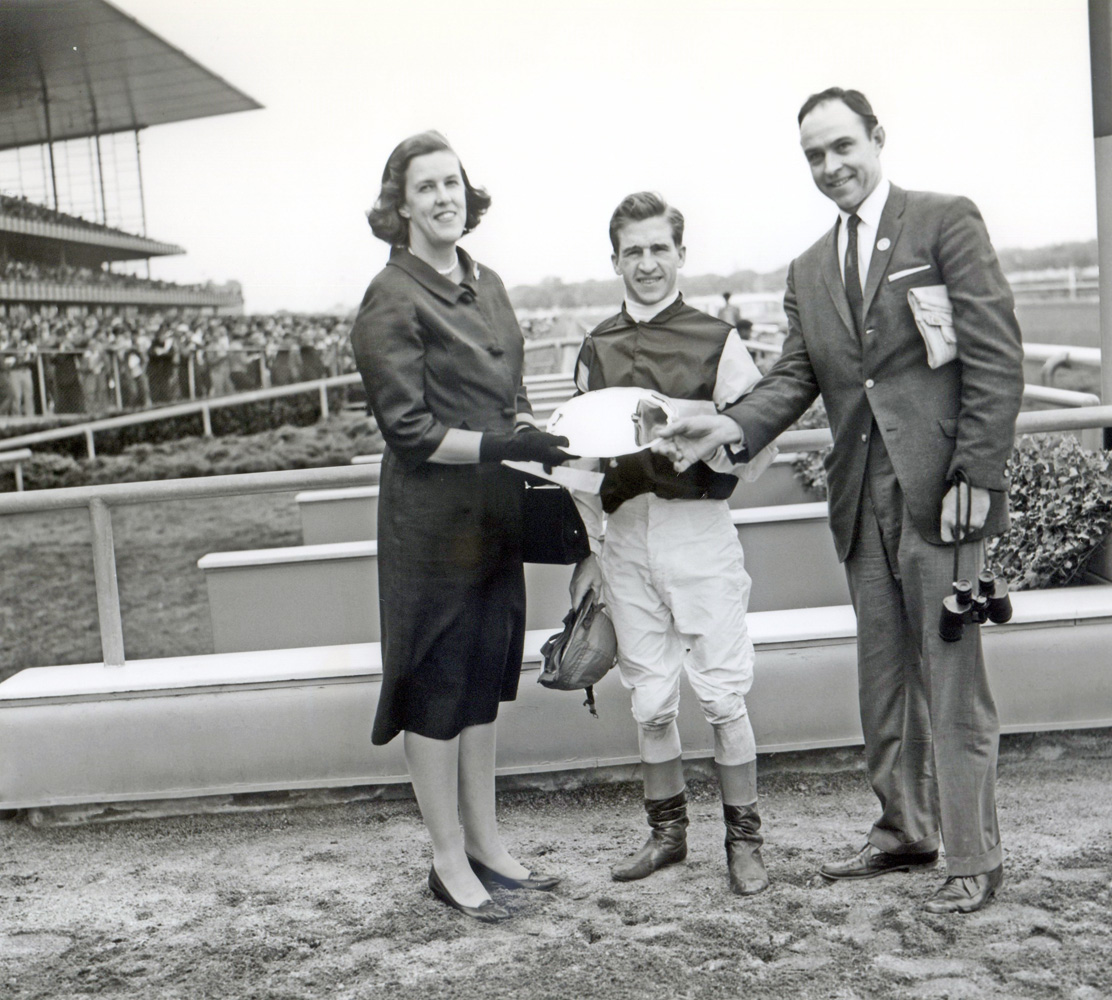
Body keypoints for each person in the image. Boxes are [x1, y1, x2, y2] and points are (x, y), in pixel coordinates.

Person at [655, 88, 1024, 914]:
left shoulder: (944, 222)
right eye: (814, 156)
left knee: (952, 674)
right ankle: (905, 833)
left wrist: (977, 475)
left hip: (944, 495)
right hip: (861, 497)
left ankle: (973, 852)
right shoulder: (809, 270)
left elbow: (996, 358)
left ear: (877, 139)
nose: (830, 167)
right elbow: (795, 377)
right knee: (884, 677)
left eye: (841, 147)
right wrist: (724, 426)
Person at [349, 130, 573, 923]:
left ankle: (486, 842)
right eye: (426, 188)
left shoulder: (489, 283)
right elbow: (408, 431)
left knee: (484, 678)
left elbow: (506, 397)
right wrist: (506, 442)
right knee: (437, 684)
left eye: (454, 183)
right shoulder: (392, 296)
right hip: (430, 521)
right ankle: (447, 859)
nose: (445, 197)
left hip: (494, 511)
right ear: (400, 206)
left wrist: (540, 434)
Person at [567, 192, 772, 896]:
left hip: (697, 530)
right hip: (625, 534)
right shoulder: (595, 347)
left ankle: (744, 840)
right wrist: (589, 548)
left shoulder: (719, 340)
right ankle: (667, 834)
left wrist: (704, 441)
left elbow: (756, 447)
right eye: (633, 251)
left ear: (680, 253)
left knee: (721, 694)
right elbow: (582, 467)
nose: (647, 263)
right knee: (650, 698)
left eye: (659, 248)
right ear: (615, 258)